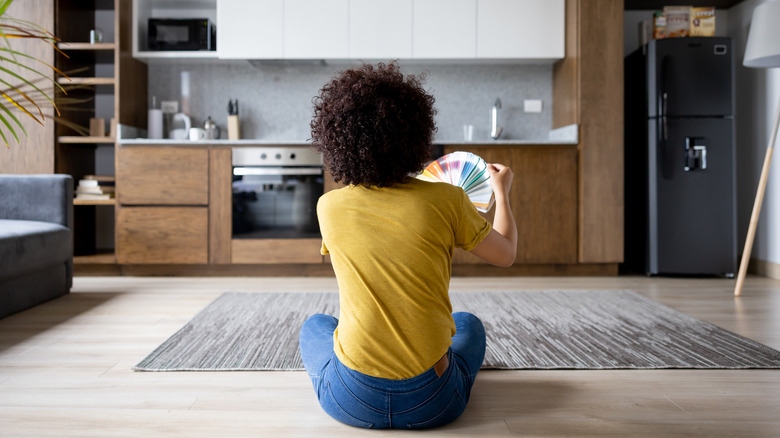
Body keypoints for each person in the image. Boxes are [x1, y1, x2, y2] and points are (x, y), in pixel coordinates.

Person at [299, 61, 517, 430]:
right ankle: (454, 382)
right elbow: (506, 255)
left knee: (316, 325)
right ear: (417, 134)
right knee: (467, 324)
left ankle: (336, 381)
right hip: (432, 404)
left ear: (336, 140)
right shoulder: (447, 199)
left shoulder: (329, 206)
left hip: (351, 401)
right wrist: (503, 193)